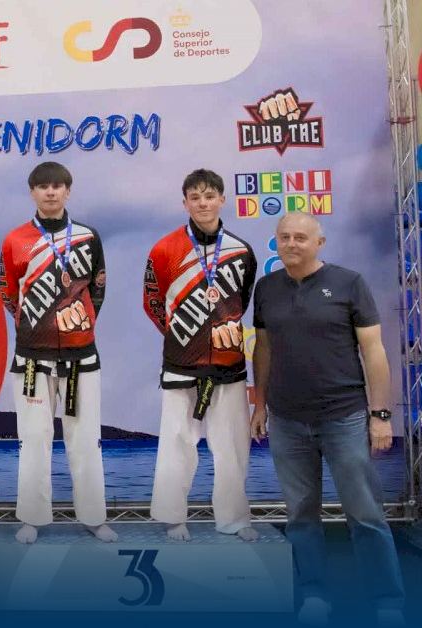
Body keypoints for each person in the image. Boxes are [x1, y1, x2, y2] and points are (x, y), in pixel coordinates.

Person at [250, 213, 405, 626]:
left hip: (345, 417)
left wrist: (381, 415)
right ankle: (314, 595)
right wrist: (260, 405)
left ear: (319, 242)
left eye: (301, 237)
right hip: (287, 420)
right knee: (301, 517)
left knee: (365, 514)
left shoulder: (349, 283)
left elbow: (374, 352)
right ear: (276, 242)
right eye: (284, 237)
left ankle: (387, 601)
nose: (292, 244)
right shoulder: (266, 289)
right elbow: (263, 349)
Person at [0, 161, 115, 544]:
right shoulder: (14, 240)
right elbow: (8, 292)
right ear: (32, 192)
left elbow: (98, 288)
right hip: (32, 358)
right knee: (34, 438)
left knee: (85, 439)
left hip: (82, 356)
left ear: (68, 191)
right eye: (43, 186)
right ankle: (32, 518)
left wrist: (80, 325)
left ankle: (94, 517)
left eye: (57, 186)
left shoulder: (88, 237)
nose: (50, 192)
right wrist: (37, 326)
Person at [142, 169, 260, 542]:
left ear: (222, 199)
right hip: (181, 364)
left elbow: (241, 301)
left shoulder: (241, 251)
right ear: (185, 203)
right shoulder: (163, 249)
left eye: (209, 196)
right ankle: (172, 517)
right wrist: (184, 337)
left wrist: (220, 332)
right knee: (176, 442)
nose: (203, 203)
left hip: (229, 365)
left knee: (233, 446)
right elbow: (152, 301)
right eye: (195, 197)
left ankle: (234, 519)